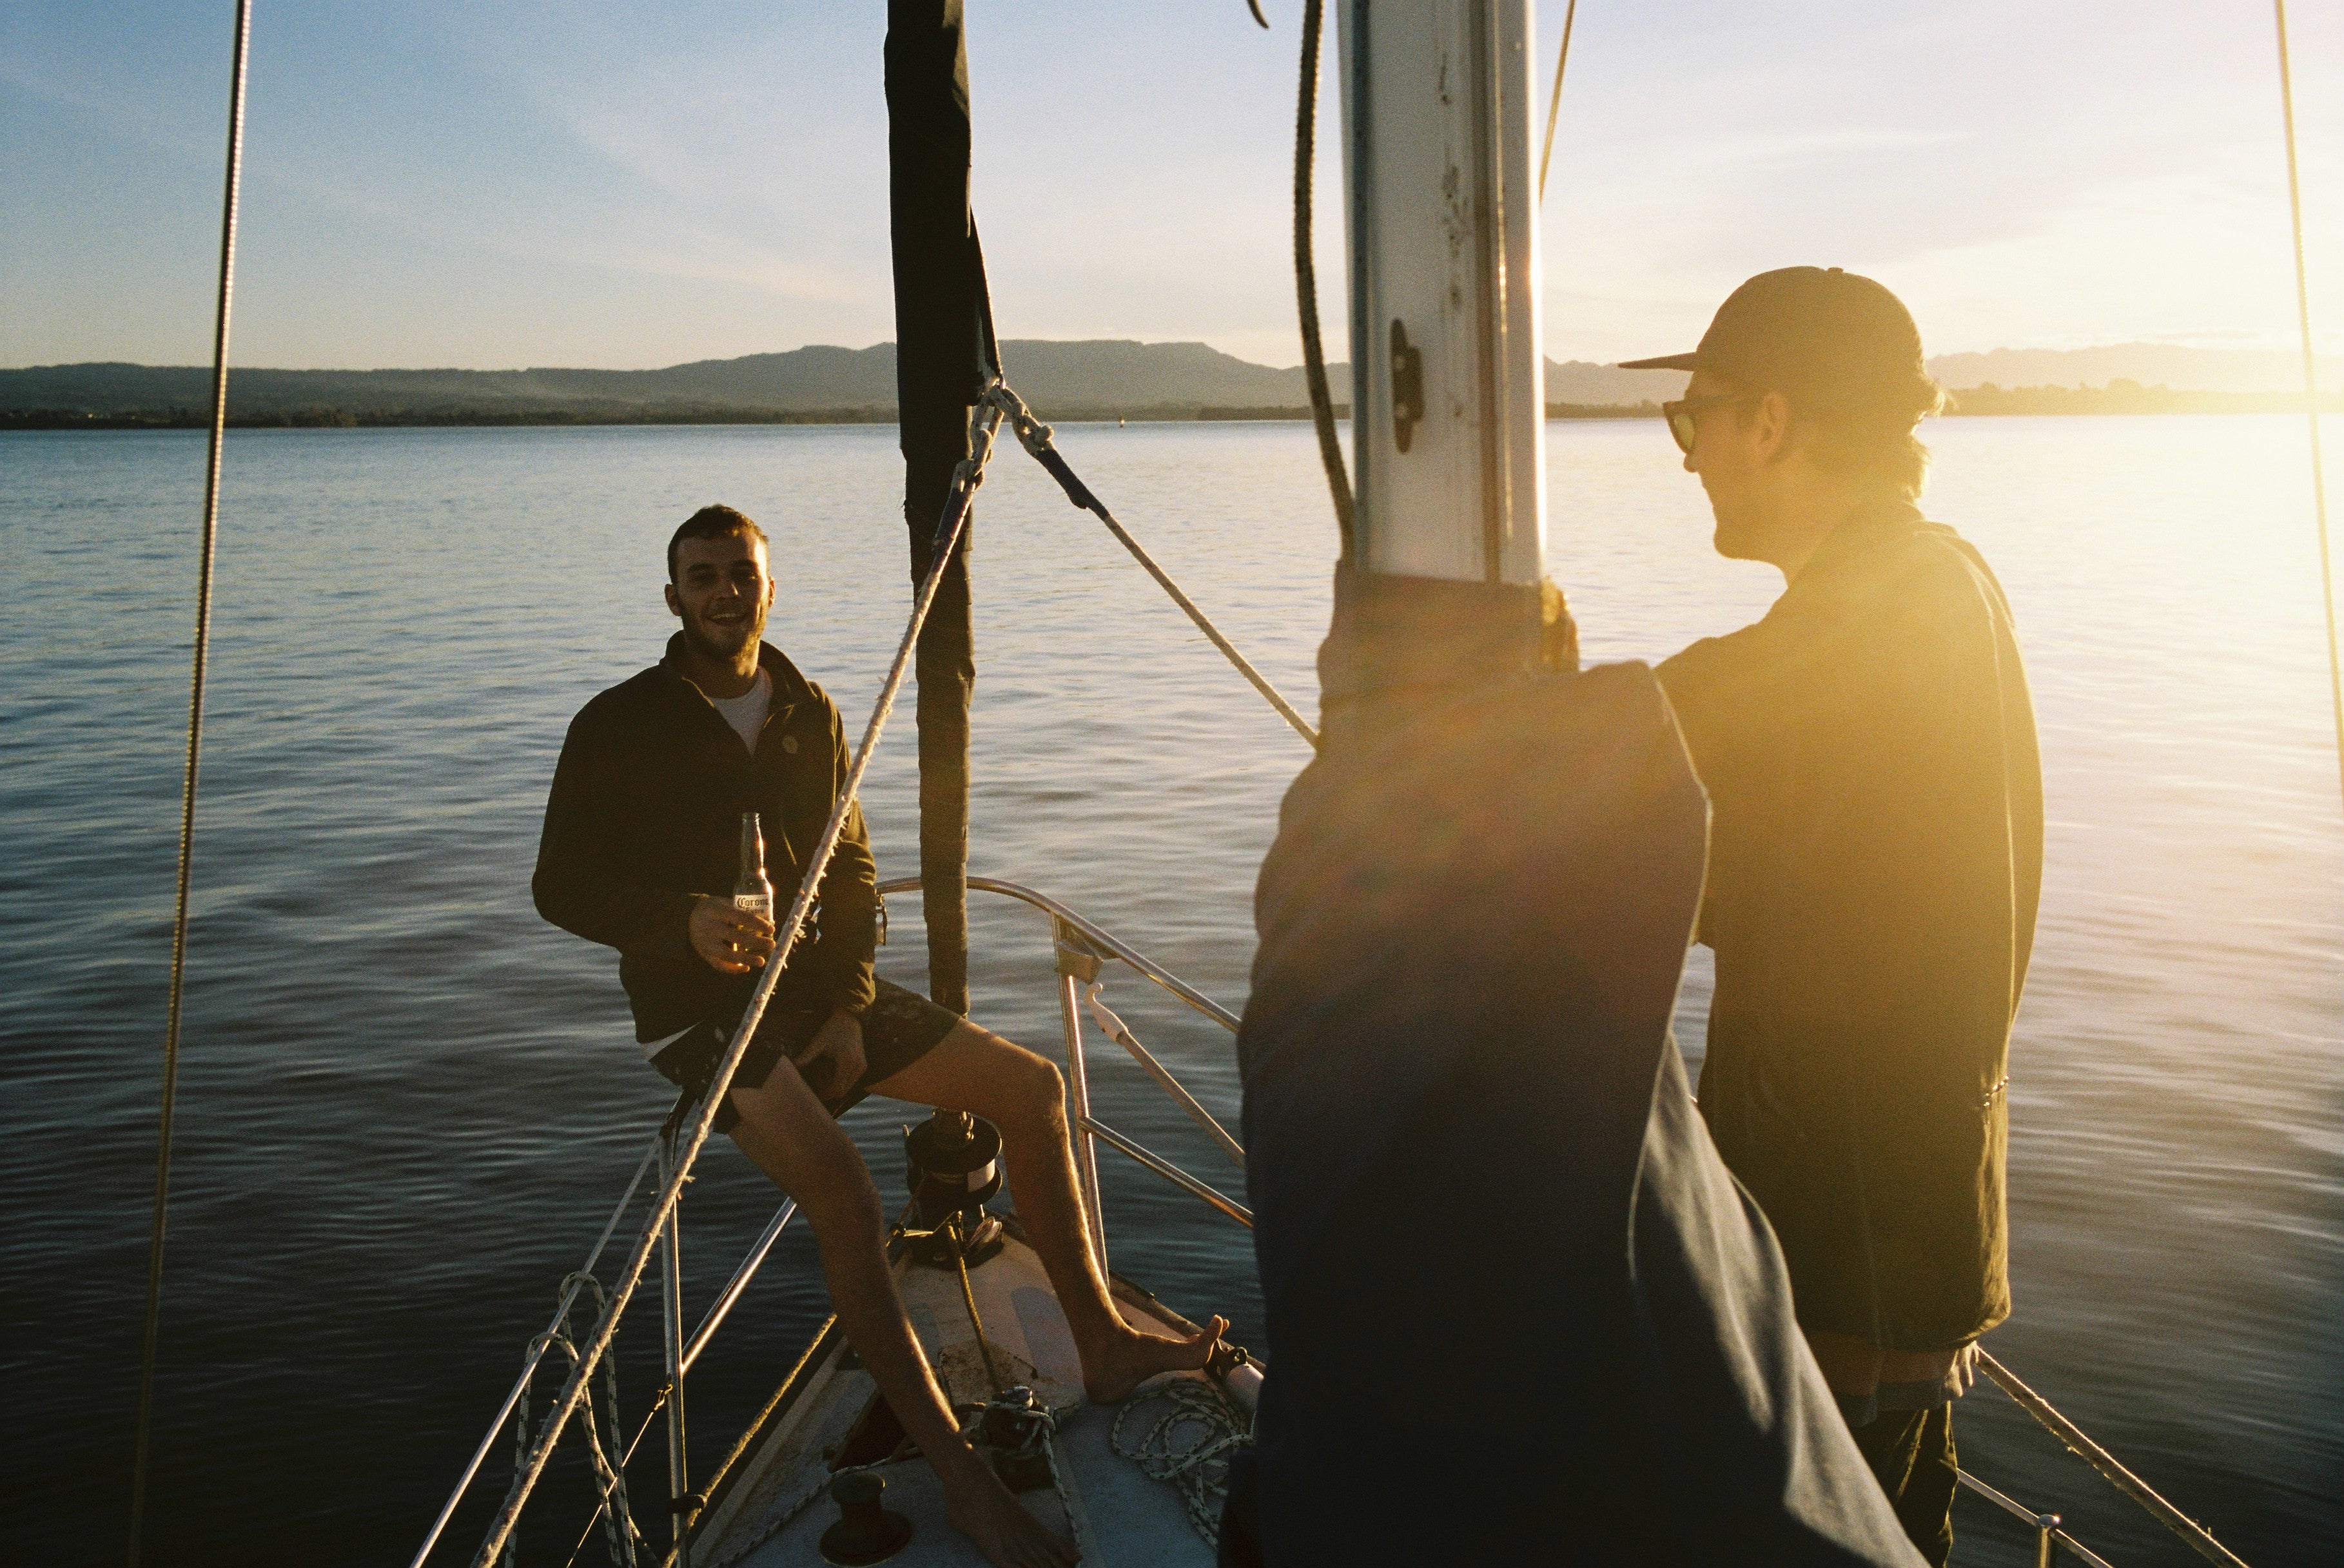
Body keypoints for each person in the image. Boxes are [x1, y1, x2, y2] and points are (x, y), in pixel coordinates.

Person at [534, 504, 1223, 1568]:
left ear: (771, 588)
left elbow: (852, 870)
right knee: (849, 1192)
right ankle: (965, 1482)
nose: (725, 591)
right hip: (700, 1013)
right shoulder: (617, 724)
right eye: (703, 575)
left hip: (820, 990)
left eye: (742, 574)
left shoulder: (808, 708)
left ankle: (1104, 1342)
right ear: (672, 596)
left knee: (1034, 1089)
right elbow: (561, 884)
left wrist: (854, 1006)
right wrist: (679, 917)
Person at [1623, 267, 2044, 1564]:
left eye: (1694, 422)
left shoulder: (1891, 609)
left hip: (1849, 1268)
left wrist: (1483, 712)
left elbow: (1677, 734)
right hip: (1869, 1247)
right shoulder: (1923, 587)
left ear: (1771, 420)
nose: (1686, 458)